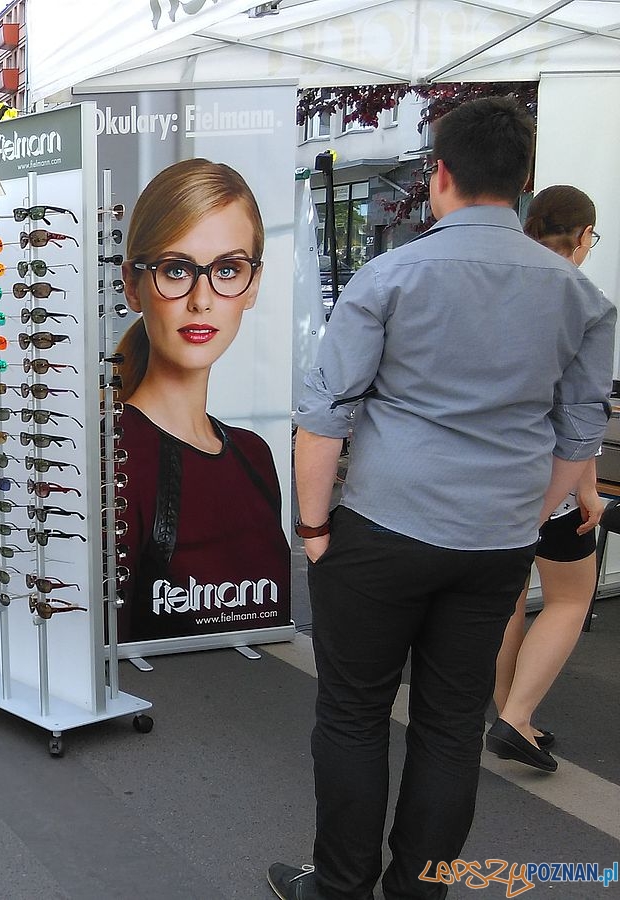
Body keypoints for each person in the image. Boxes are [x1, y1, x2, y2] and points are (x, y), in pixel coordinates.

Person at [271, 98, 616, 900]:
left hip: (384, 527)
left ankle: (340, 886)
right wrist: (527, 517)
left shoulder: (390, 275)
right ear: (524, 183)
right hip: (495, 541)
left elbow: (324, 419)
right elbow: (579, 436)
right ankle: (419, 890)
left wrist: (313, 528)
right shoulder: (581, 296)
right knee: (451, 726)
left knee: (353, 714)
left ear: (440, 175)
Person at [113, 159, 290, 644]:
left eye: (227, 270)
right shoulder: (115, 461)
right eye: (176, 270)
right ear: (132, 285)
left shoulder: (255, 455)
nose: (201, 299)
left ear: (253, 285)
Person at [491, 185, 606, 773]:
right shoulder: (582, 299)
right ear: (582, 236)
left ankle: (507, 711)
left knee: (508, 599)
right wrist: (586, 487)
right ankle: (516, 718)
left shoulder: (498, 285)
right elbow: (580, 411)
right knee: (570, 597)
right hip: (551, 478)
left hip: (495, 473)